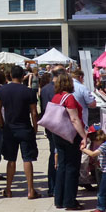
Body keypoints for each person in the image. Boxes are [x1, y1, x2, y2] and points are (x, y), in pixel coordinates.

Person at [0, 65, 40, 199]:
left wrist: (2, 124)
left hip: (9, 128)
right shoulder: (29, 92)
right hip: (25, 127)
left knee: (11, 160)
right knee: (27, 159)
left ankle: (8, 189)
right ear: (23, 77)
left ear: (10, 76)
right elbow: (33, 112)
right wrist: (35, 128)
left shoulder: (2, 91)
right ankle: (30, 190)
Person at [51, 72, 88, 210]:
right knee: (72, 167)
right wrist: (84, 136)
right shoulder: (69, 98)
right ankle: (69, 200)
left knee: (62, 165)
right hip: (70, 135)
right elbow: (74, 119)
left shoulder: (56, 97)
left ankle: (59, 199)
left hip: (58, 133)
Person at [83, 128, 106, 212]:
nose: (95, 144)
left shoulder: (105, 145)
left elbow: (93, 154)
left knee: (103, 190)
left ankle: (101, 208)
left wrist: (82, 149)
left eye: (94, 141)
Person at [39, 68, 60, 196]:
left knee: (53, 154)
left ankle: (52, 186)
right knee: (57, 155)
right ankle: (55, 187)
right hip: (58, 126)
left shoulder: (45, 89)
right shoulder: (57, 89)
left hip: (48, 125)